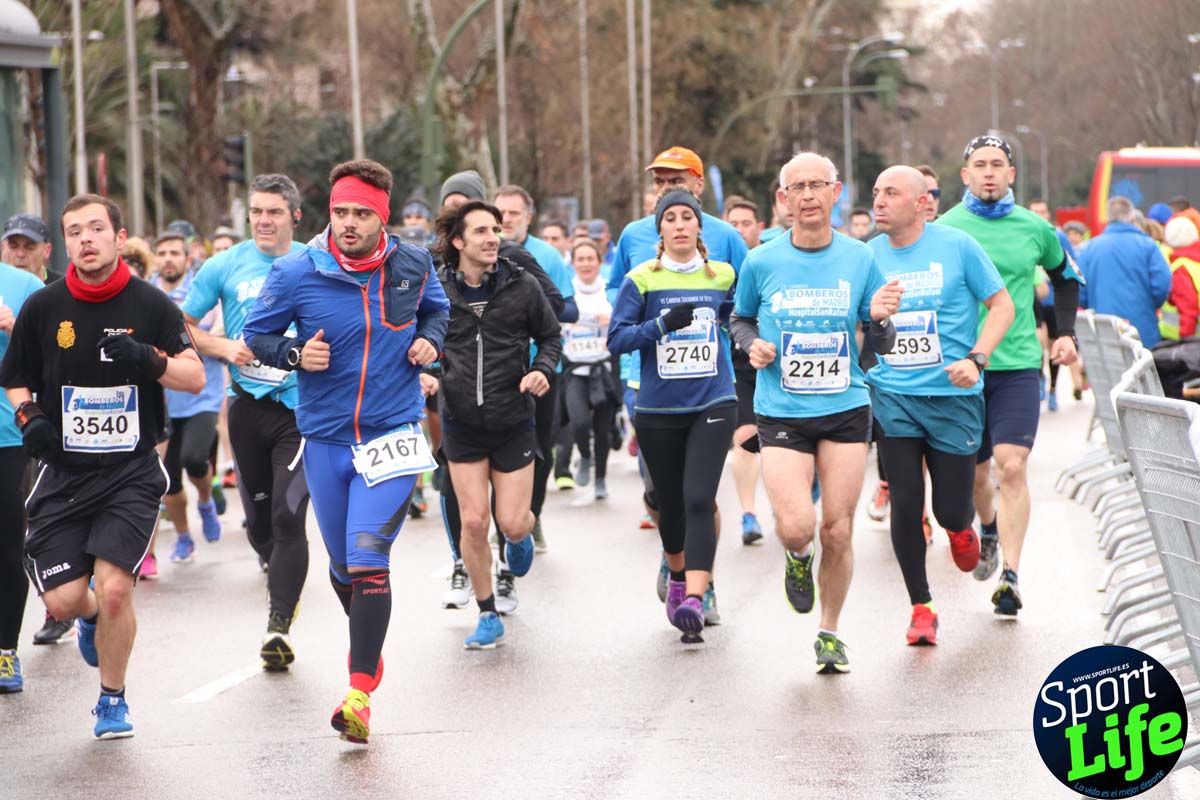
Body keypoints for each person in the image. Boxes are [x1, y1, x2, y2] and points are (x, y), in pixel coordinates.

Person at [244, 158, 448, 745]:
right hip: (327, 439)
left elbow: (438, 311)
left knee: (366, 557)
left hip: (392, 436)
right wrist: (292, 356)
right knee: (340, 567)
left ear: (382, 217)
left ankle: (358, 692)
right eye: (340, 212)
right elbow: (256, 336)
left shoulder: (412, 263)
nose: (349, 223)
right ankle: (370, 650)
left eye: (362, 213)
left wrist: (429, 342)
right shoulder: (295, 271)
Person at [0, 193, 204, 737]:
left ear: (118, 236)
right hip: (63, 471)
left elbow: (194, 377)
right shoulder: (45, 307)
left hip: (130, 471)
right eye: (75, 231)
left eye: (96, 228)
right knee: (65, 602)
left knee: (116, 588)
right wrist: (29, 415)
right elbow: (15, 373)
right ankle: (89, 618)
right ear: (64, 243)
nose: (86, 239)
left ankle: (112, 699)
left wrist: (151, 359)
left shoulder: (151, 306)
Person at [729, 152, 901, 673]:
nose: (807, 196)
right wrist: (753, 345)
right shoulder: (762, 261)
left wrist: (877, 321)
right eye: (796, 187)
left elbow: (884, 342)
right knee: (799, 526)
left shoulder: (860, 258)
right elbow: (739, 319)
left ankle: (829, 632)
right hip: (781, 409)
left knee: (839, 529)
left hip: (846, 405)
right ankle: (797, 559)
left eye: (817, 186)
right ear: (782, 200)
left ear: (836, 192)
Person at [867, 166, 1015, 645]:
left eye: (891, 193)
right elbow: (854, 321)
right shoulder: (867, 256)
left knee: (951, 509)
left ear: (920, 201)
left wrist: (977, 358)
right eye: (876, 193)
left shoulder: (956, 247)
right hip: (894, 396)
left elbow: (1003, 306)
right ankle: (922, 608)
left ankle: (961, 529)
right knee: (906, 504)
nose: (880, 202)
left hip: (954, 398)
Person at [937, 134, 1081, 616]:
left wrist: (1065, 334)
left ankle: (1011, 577)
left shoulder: (1035, 228)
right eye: (980, 165)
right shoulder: (946, 228)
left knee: (1011, 465)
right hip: (961, 370)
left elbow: (1064, 279)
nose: (989, 173)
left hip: (1018, 363)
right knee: (977, 476)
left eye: (998, 164)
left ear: (1012, 174)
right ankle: (990, 528)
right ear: (965, 175)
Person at [607, 145, 747, 622]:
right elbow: (619, 329)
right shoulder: (637, 262)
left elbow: (745, 312)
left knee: (698, 496)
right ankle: (677, 568)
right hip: (654, 396)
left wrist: (749, 346)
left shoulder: (725, 261)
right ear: (659, 227)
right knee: (666, 499)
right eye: (662, 187)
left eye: (679, 187)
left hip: (713, 394)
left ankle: (697, 592)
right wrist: (661, 325)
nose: (675, 210)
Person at [181, 174, 312, 669]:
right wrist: (221, 347)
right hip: (246, 406)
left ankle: (278, 625)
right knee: (259, 523)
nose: (263, 220)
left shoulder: (313, 261)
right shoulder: (226, 264)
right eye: (256, 211)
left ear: (294, 216)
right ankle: (269, 556)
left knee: (286, 513)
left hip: (300, 409)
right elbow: (183, 324)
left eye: (274, 211)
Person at [431, 171, 567, 614]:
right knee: (473, 521)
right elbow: (414, 337)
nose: (493, 238)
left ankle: (520, 537)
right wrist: (426, 368)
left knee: (510, 523)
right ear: (457, 240)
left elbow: (551, 334)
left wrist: (542, 369)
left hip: (512, 418)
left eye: (496, 229)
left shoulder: (520, 281)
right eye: (482, 231)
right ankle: (486, 610)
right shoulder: (435, 287)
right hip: (461, 420)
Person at [149, 232, 226, 568]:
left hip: (200, 396)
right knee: (168, 478)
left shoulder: (200, 293)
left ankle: (206, 501)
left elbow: (211, 336)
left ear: (187, 258)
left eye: (174, 253)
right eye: (162, 253)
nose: (168, 259)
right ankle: (183, 536)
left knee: (196, 458)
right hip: (161, 401)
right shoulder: (144, 293)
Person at [0, 258, 48, 693]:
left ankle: (5, 651)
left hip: (6, 436)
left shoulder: (24, 285)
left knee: (8, 547)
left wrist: (14, 327)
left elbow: (54, 351)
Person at [556, 238, 617, 499]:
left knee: (602, 429)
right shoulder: (567, 293)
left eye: (590, 258)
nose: (585, 264)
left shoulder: (609, 292)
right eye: (580, 259)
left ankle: (600, 478)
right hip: (575, 370)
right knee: (579, 422)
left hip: (602, 370)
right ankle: (584, 456)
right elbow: (554, 320)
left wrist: (609, 321)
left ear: (599, 261)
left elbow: (622, 321)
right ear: (573, 263)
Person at [723, 195, 768, 543]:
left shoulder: (772, 259)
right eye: (733, 224)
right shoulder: (716, 267)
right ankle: (749, 514)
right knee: (745, 436)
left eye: (746, 223)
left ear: (760, 228)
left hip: (779, 358)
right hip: (739, 361)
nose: (739, 230)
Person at [1078, 195, 1171, 347]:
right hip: (1142, 326)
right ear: (1132, 216)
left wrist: (1092, 305)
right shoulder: (1148, 245)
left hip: (1103, 327)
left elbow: (1079, 287)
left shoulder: (1090, 248)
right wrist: (1150, 305)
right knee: (1143, 368)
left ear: (1108, 217)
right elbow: (1162, 283)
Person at [1161, 216, 1200, 340]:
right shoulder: (1194, 261)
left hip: (1185, 341)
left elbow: (1188, 309)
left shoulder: (1180, 268)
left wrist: (1185, 342)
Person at [2, 214, 56, 282]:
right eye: (13, 247)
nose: (20, 254)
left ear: (47, 251)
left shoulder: (64, 289)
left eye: (30, 247)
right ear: (2, 248)